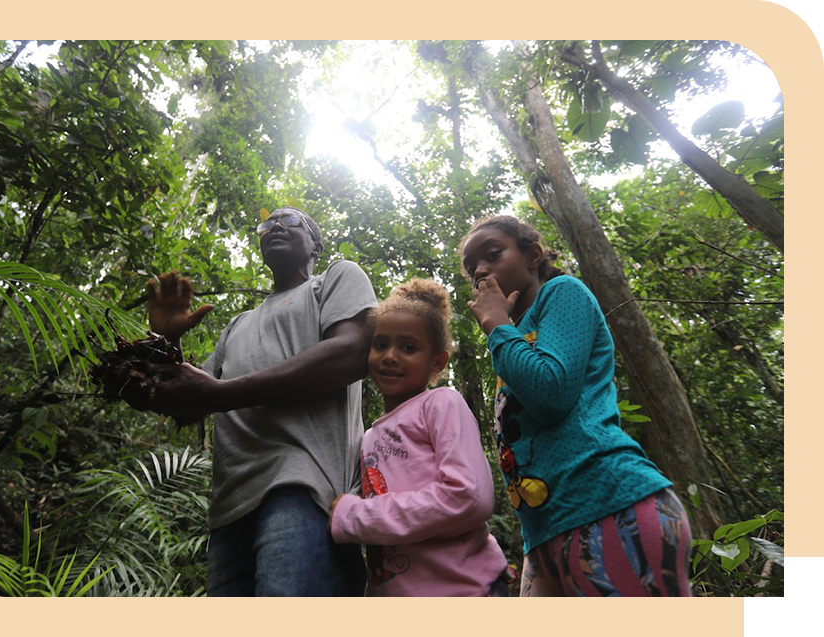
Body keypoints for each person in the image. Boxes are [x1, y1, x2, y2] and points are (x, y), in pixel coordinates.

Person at [139, 206, 378, 596]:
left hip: (304, 489)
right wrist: (168, 343)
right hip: (228, 509)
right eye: (267, 223)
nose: (276, 226)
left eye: (291, 220)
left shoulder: (334, 280)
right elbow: (188, 403)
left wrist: (220, 393)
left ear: (315, 244)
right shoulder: (237, 325)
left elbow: (351, 352)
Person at [459, 215, 692, 597]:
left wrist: (498, 327)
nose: (480, 270)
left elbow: (552, 394)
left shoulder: (563, 293)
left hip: (608, 501)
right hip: (547, 531)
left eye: (492, 254)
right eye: (472, 269)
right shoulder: (512, 338)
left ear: (533, 255)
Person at [328, 278, 511, 596]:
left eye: (408, 348)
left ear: (437, 361)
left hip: (466, 592)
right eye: (381, 344)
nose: (390, 356)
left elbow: (468, 497)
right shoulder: (370, 434)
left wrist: (353, 515)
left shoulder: (440, 403)